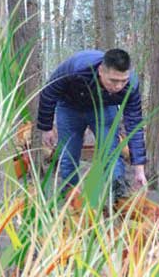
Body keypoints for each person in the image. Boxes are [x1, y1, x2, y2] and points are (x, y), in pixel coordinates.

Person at [36, 49, 147, 198]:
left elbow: (134, 123)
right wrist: (46, 127)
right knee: (69, 154)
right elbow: (49, 92)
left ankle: (117, 199)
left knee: (111, 152)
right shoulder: (77, 68)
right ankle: (70, 199)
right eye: (113, 80)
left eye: (123, 81)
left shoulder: (131, 85)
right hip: (69, 107)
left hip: (103, 108)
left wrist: (139, 169)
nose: (118, 86)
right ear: (101, 71)